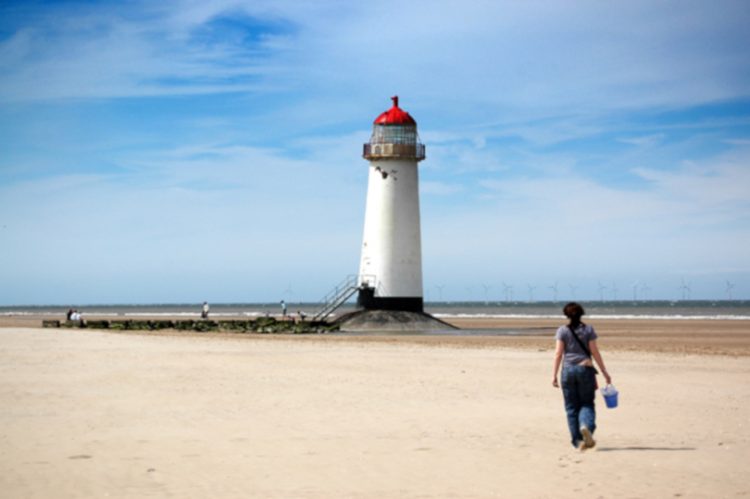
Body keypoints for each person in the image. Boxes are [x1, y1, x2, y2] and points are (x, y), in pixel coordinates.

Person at [552, 302, 612, 451]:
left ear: (566, 315)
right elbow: (595, 351)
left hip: (568, 371)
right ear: (581, 314)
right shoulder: (588, 329)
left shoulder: (562, 330)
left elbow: (558, 353)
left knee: (571, 407)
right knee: (587, 403)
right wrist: (604, 371)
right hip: (585, 368)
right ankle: (586, 426)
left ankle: (577, 442)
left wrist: (554, 375)